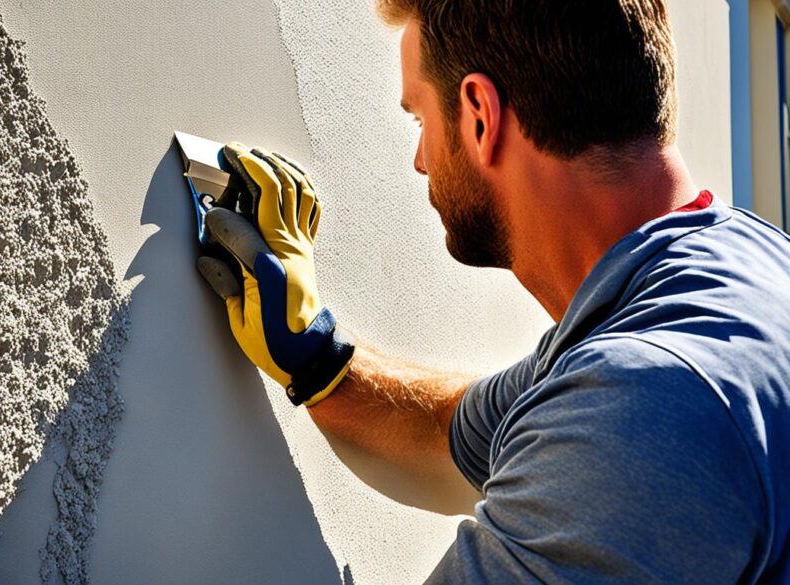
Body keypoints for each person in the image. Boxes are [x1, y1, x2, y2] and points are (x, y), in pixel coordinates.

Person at [194, 1, 790, 583]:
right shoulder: (735, 275)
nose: (420, 160)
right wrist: (316, 354)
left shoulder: (644, 405)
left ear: (480, 113)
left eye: (419, 119)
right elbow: (446, 439)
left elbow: (610, 433)